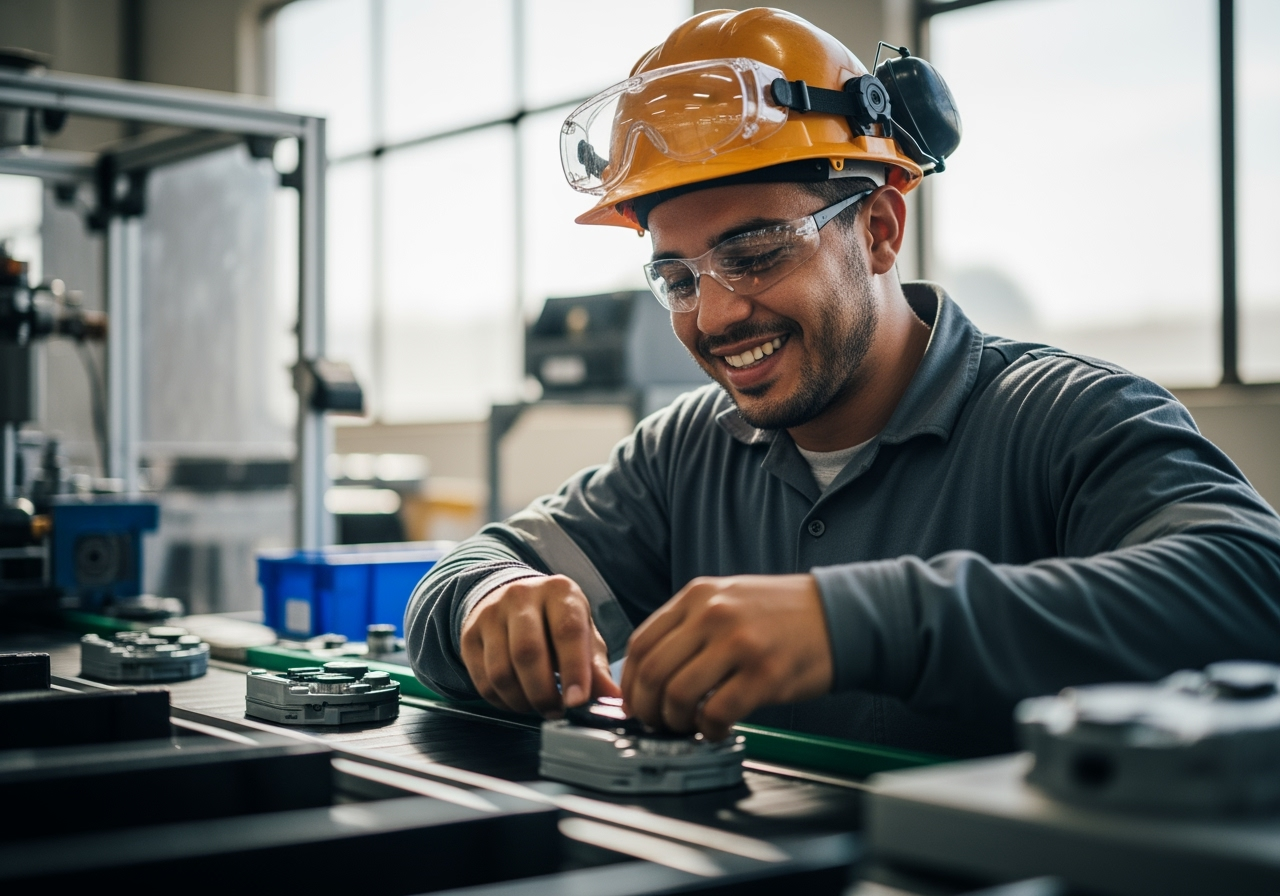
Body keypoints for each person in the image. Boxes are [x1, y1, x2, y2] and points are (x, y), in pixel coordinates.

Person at [405, 8, 1280, 757]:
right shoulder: (689, 452)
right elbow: (475, 567)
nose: (712, 318)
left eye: (753, 254)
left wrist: (856, 621)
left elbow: (1250, 585)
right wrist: (495, 598)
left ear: (880, 231)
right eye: (678, 278)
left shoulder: (1063, 418)